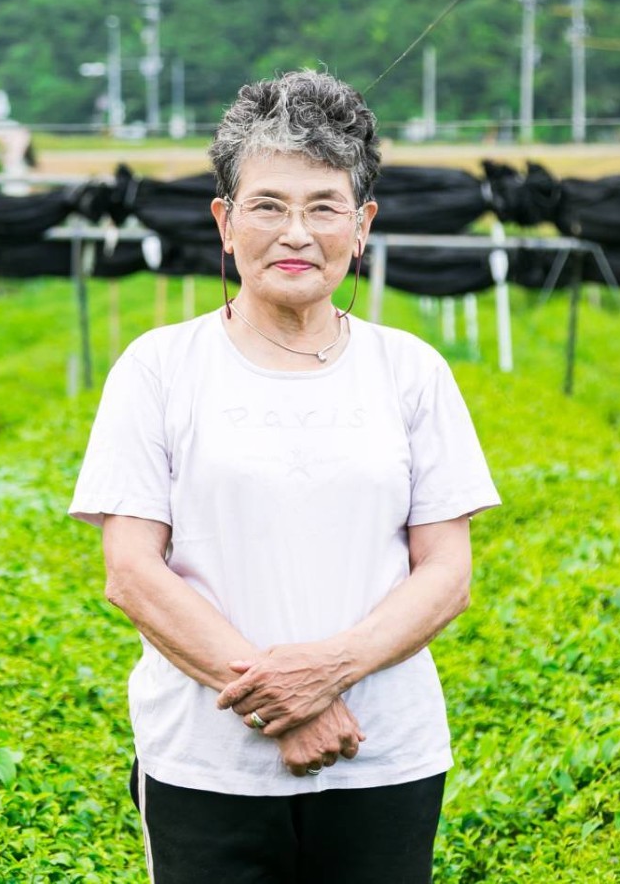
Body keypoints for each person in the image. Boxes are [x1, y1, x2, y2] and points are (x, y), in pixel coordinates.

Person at [69, 69, 500, 884]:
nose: (295, 232)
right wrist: (285, 706)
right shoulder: (160, 367)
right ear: (225, 224)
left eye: (323, 206)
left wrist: (332, 672)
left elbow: (447, 573)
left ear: (362, 224)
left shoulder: (410, 370)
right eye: (267, 205)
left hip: (385, 757)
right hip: (206, 763)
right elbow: (131, 573)